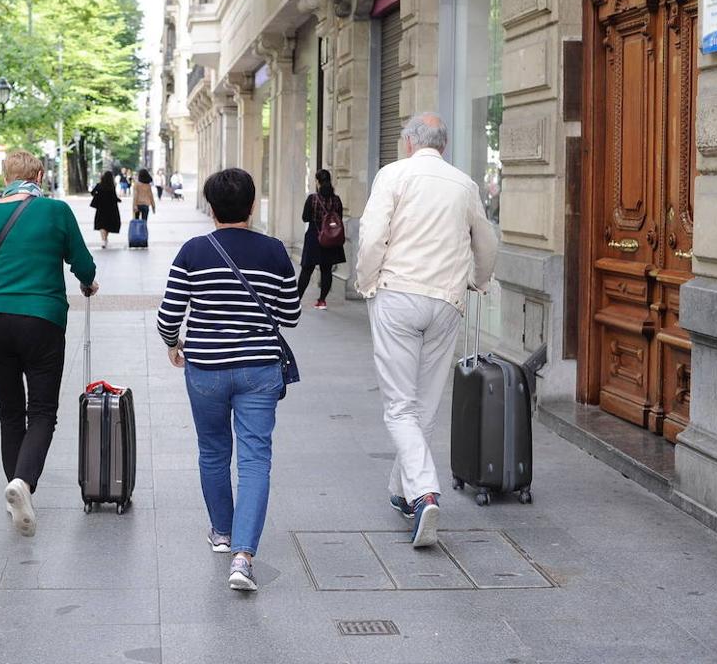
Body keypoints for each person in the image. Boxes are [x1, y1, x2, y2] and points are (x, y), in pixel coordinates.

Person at [355, 113, 497, 549]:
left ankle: (423, 494)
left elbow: (373, 234)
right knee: (425, 406)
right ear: (444, 146)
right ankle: (402, 492)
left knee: (399, 407)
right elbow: (486, 241)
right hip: (447, 301)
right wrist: (479, 279)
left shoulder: (394, 175)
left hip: (397, 294)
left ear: (410, 142)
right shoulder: (465, 184)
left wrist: (365, 281)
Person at [157, 168, 300, 592]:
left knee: (214, 451)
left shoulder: (193, 251)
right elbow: (290, 314)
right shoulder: (274, 251)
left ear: (212, 207)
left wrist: (173, 343)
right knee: (255, 458)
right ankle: (243, 556)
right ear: (252, 206)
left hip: (206, 369)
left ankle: (221, 532)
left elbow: (168, 315)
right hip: (259, 369)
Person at [0, 150, 99, 537]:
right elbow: (83, 264)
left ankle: (16, 490)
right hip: (43, 320)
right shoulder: (55, 212)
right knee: (42, 411)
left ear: (6, 177)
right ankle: (23, 482)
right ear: (39, 175)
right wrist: (88, 282)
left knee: (9, 411)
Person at [298, 169, 345, 310]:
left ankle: (297, 300)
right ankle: (322, 301)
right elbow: (339, 218)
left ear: (318, 182)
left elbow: (305, 217)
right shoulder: (336, 200)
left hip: (314, 236)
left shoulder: (312, 199)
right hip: (331, 238)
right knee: (327, 269)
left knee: (307, 269)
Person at [90, 170, 122, 249]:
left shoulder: (99, 185)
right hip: (111, 208)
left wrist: (97, 196)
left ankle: (103, 240)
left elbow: (92, 193)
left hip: (101, 207)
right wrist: (119, 200)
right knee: (108, 224)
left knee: (101, 224)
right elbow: (114, 197)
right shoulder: (111, 186)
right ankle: (105, 239)